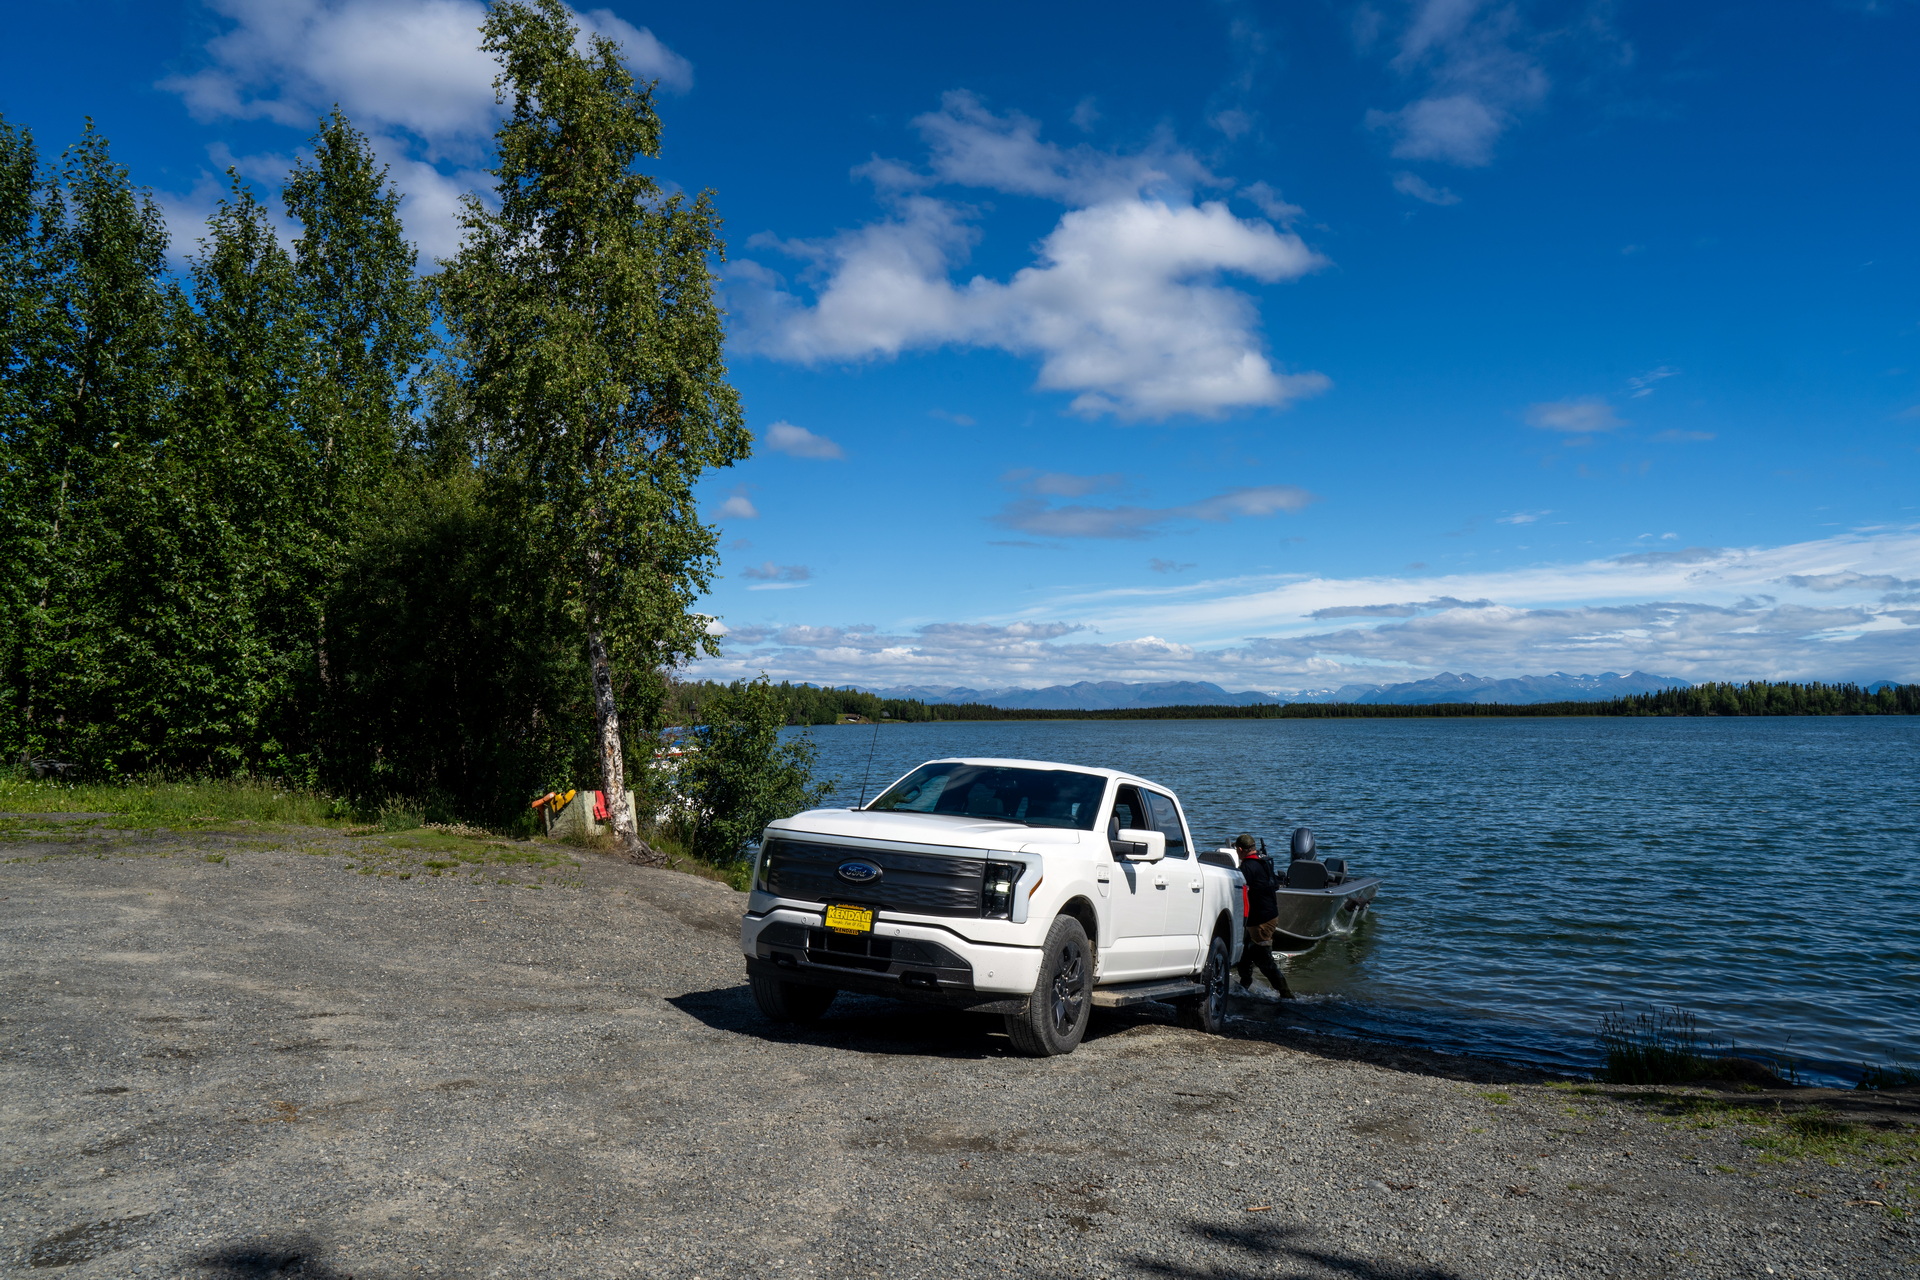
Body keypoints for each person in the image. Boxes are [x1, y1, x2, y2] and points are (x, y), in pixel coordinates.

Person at [1234, 833, 1294, 999]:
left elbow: (1239, 891)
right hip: (1268, 916)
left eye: (1236, 850)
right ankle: (1243, 987)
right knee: (1245, 954)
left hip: (1261, 921)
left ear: (1240, 850)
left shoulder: (1247, 867)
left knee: (1263, 960)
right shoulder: (1264, 862)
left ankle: (1286, 995)